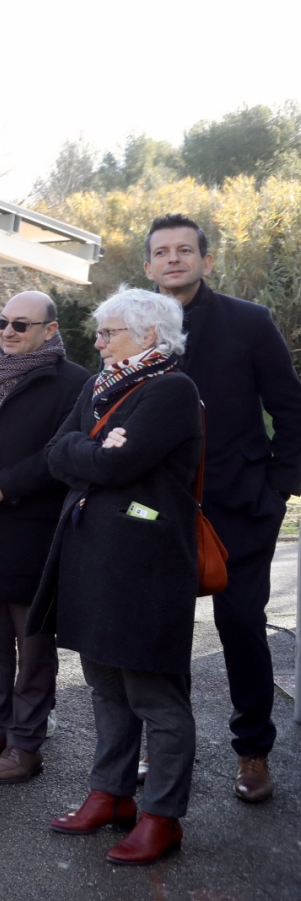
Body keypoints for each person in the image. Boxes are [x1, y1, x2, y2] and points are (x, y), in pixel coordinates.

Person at [33, 288, 201, 865]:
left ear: (149, 335)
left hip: (147, 569)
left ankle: (161, 817)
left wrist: (93, 452)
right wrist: (91, 448)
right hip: (93, 559)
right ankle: (111, 794)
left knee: (156, 697)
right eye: (100, 333)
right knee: (106, 689)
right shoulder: (101, 383)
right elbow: (59, 451)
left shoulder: (172, 389)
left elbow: (115, 463)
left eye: (109, 334)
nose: (97, 343)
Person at [143, 213, 301, 804]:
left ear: (206, 261)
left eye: (186, 250)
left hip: (241, 507)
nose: (174, 259)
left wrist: (277, 489)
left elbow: (290, 410)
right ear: (149, 266)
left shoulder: (250, 323)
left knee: (241, 627)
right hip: (157, 509)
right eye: (163, 252)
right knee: (157, 635)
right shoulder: (134, 324)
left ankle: (253, 751)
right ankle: (160, 747)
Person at [0, 292, 88, 783]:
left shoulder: (74, 383)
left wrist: (4, 486)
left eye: (21, 325)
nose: (7, 331)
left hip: (34, 535)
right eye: (2, 321)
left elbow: (62, 453)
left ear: (50, 330)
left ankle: (27, 744)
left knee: (34, 649)